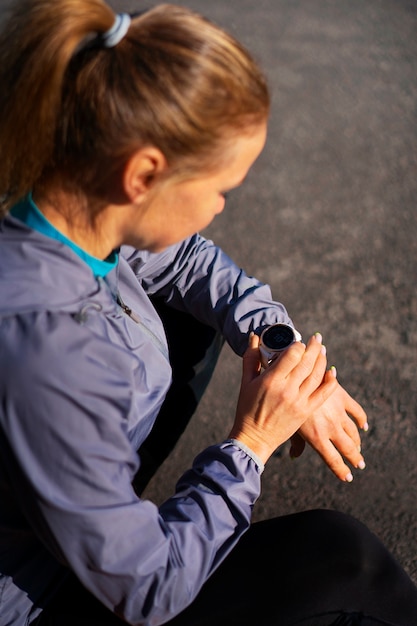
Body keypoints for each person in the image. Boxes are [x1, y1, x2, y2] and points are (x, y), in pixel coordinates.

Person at [0, 1, 416, 625]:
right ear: (143, 173)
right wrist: (250, 443)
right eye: (221, 188)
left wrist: (278, 346)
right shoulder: (48, 353)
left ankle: (106, 506)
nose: (222, 207)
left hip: (65, 525)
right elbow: (151, 589)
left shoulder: (63, 199)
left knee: (190, 313)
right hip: (39, 602)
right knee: (344, 562)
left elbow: (190, 263)